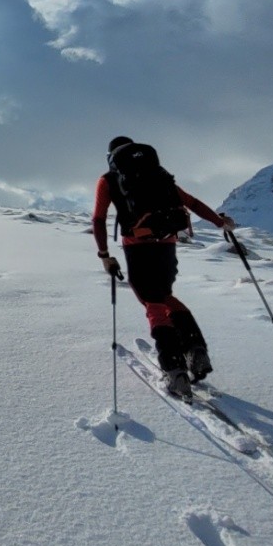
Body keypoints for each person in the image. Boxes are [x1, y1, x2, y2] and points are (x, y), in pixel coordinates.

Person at [93, 135, 236, 399]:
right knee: (164, 295)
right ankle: (195, 348)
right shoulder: (158, 174)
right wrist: (220, 222)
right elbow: (191, 202)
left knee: (152, 302)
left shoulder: (109, 179)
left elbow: (98, 219)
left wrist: (104, 254)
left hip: (138, 246)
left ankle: (174, 369)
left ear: (111, 157)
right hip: (167, 244)